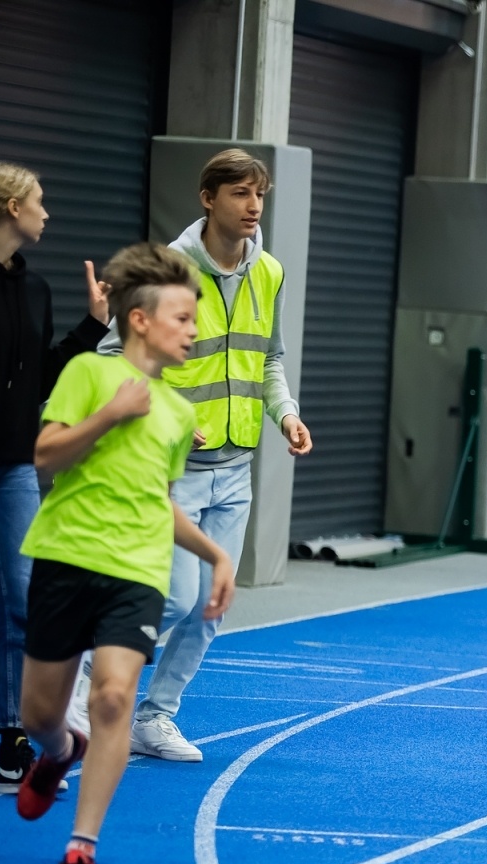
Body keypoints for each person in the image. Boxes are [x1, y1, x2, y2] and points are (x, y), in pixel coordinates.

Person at [14, 243, 236, 864]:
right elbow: (44, 456)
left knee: (114, 697)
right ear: (140, 320)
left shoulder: (178, 412)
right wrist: (109, 415)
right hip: (66, 556)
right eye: (183, 318)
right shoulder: (87, 372)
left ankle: (81, 850)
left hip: (136, 568)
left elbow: (157, 502)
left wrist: (216, 554)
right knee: (41, 714)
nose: (193, 332)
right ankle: (57, 753)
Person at [73, 149, 312, 762]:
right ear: (209, 199)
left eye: (260, 194)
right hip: (172, 472)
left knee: (212, 605)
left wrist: (285, 413)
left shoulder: (271, 273)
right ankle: (79, 684)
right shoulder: (168, 270)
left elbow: (270, 358)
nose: (254, 206)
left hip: (237, 471)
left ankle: (155, 718)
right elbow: (111, 357)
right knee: (173, 598)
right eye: (240, 194)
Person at [0, 161, 108, 796]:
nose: (46, 212)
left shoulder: (36, 289)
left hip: (14, 466)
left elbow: (40, 379)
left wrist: (93, 328)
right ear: (7, 207)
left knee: (24, 604)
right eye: (38, 201)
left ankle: (13, 741)